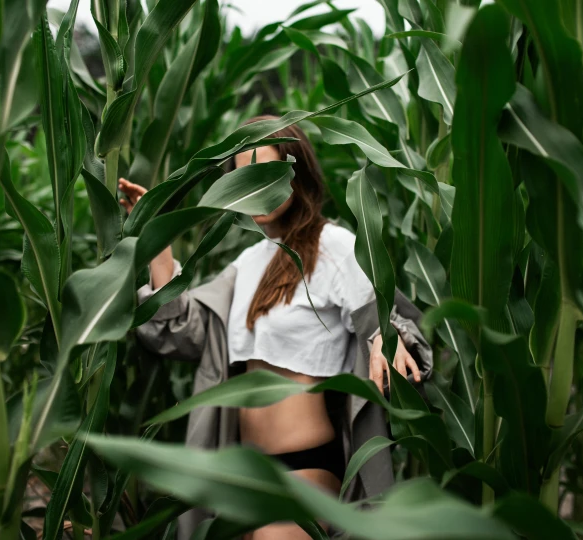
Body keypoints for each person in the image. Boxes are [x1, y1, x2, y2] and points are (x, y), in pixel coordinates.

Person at [119, 117, 432, 540]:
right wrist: (158, 239)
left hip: (303, 465)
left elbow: (377, 314)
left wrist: (384, 340)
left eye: (267, 171)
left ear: (294, 171)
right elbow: (179, 330)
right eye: (244, 175)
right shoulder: (247, 264)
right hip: (243, 471)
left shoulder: (333, 246)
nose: (256, 185)